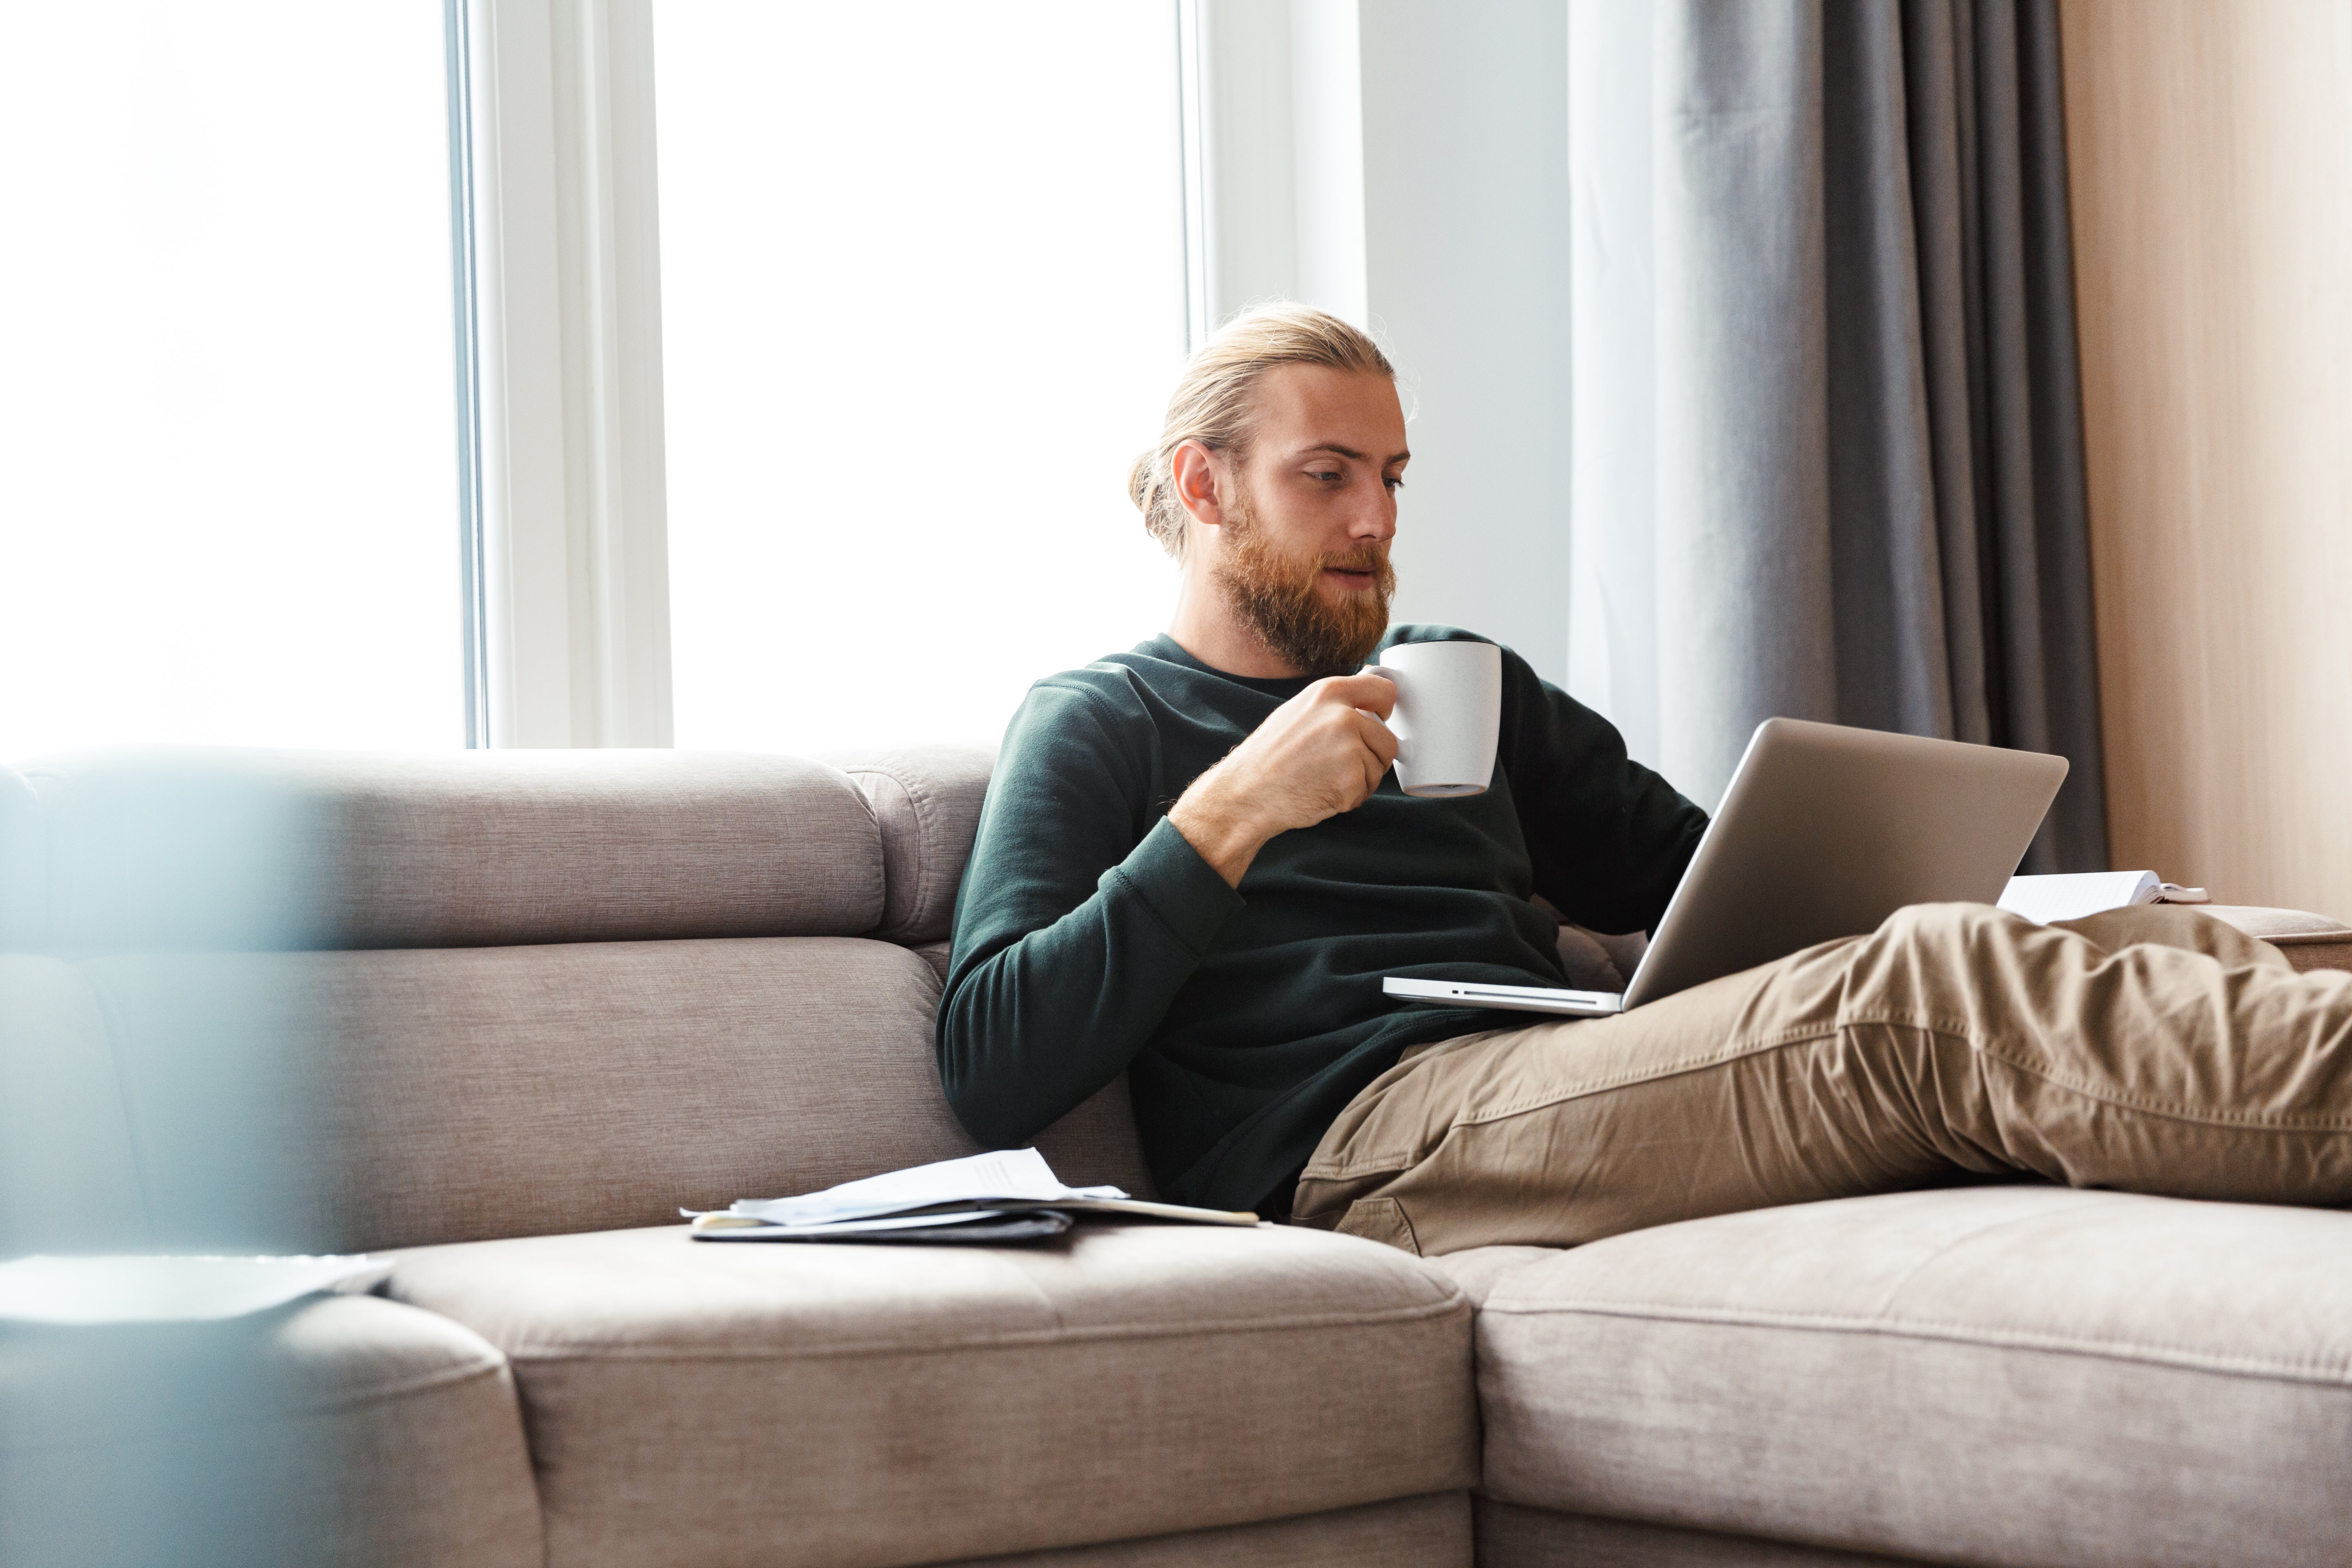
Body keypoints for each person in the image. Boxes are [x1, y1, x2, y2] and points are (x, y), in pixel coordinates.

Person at [936, 303, 2352, 1256]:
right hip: (1360, 1148)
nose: (1376, 519)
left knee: (2144, 937)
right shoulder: (1104, 719)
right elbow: (997, 1061)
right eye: (1327, 476)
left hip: (1550, 1073)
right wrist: (1233, 809)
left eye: (1393, 476)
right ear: (1205, 488)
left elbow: (1701, 876)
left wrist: (1903, 876)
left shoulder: (1454, 674)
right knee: (1924, 991)